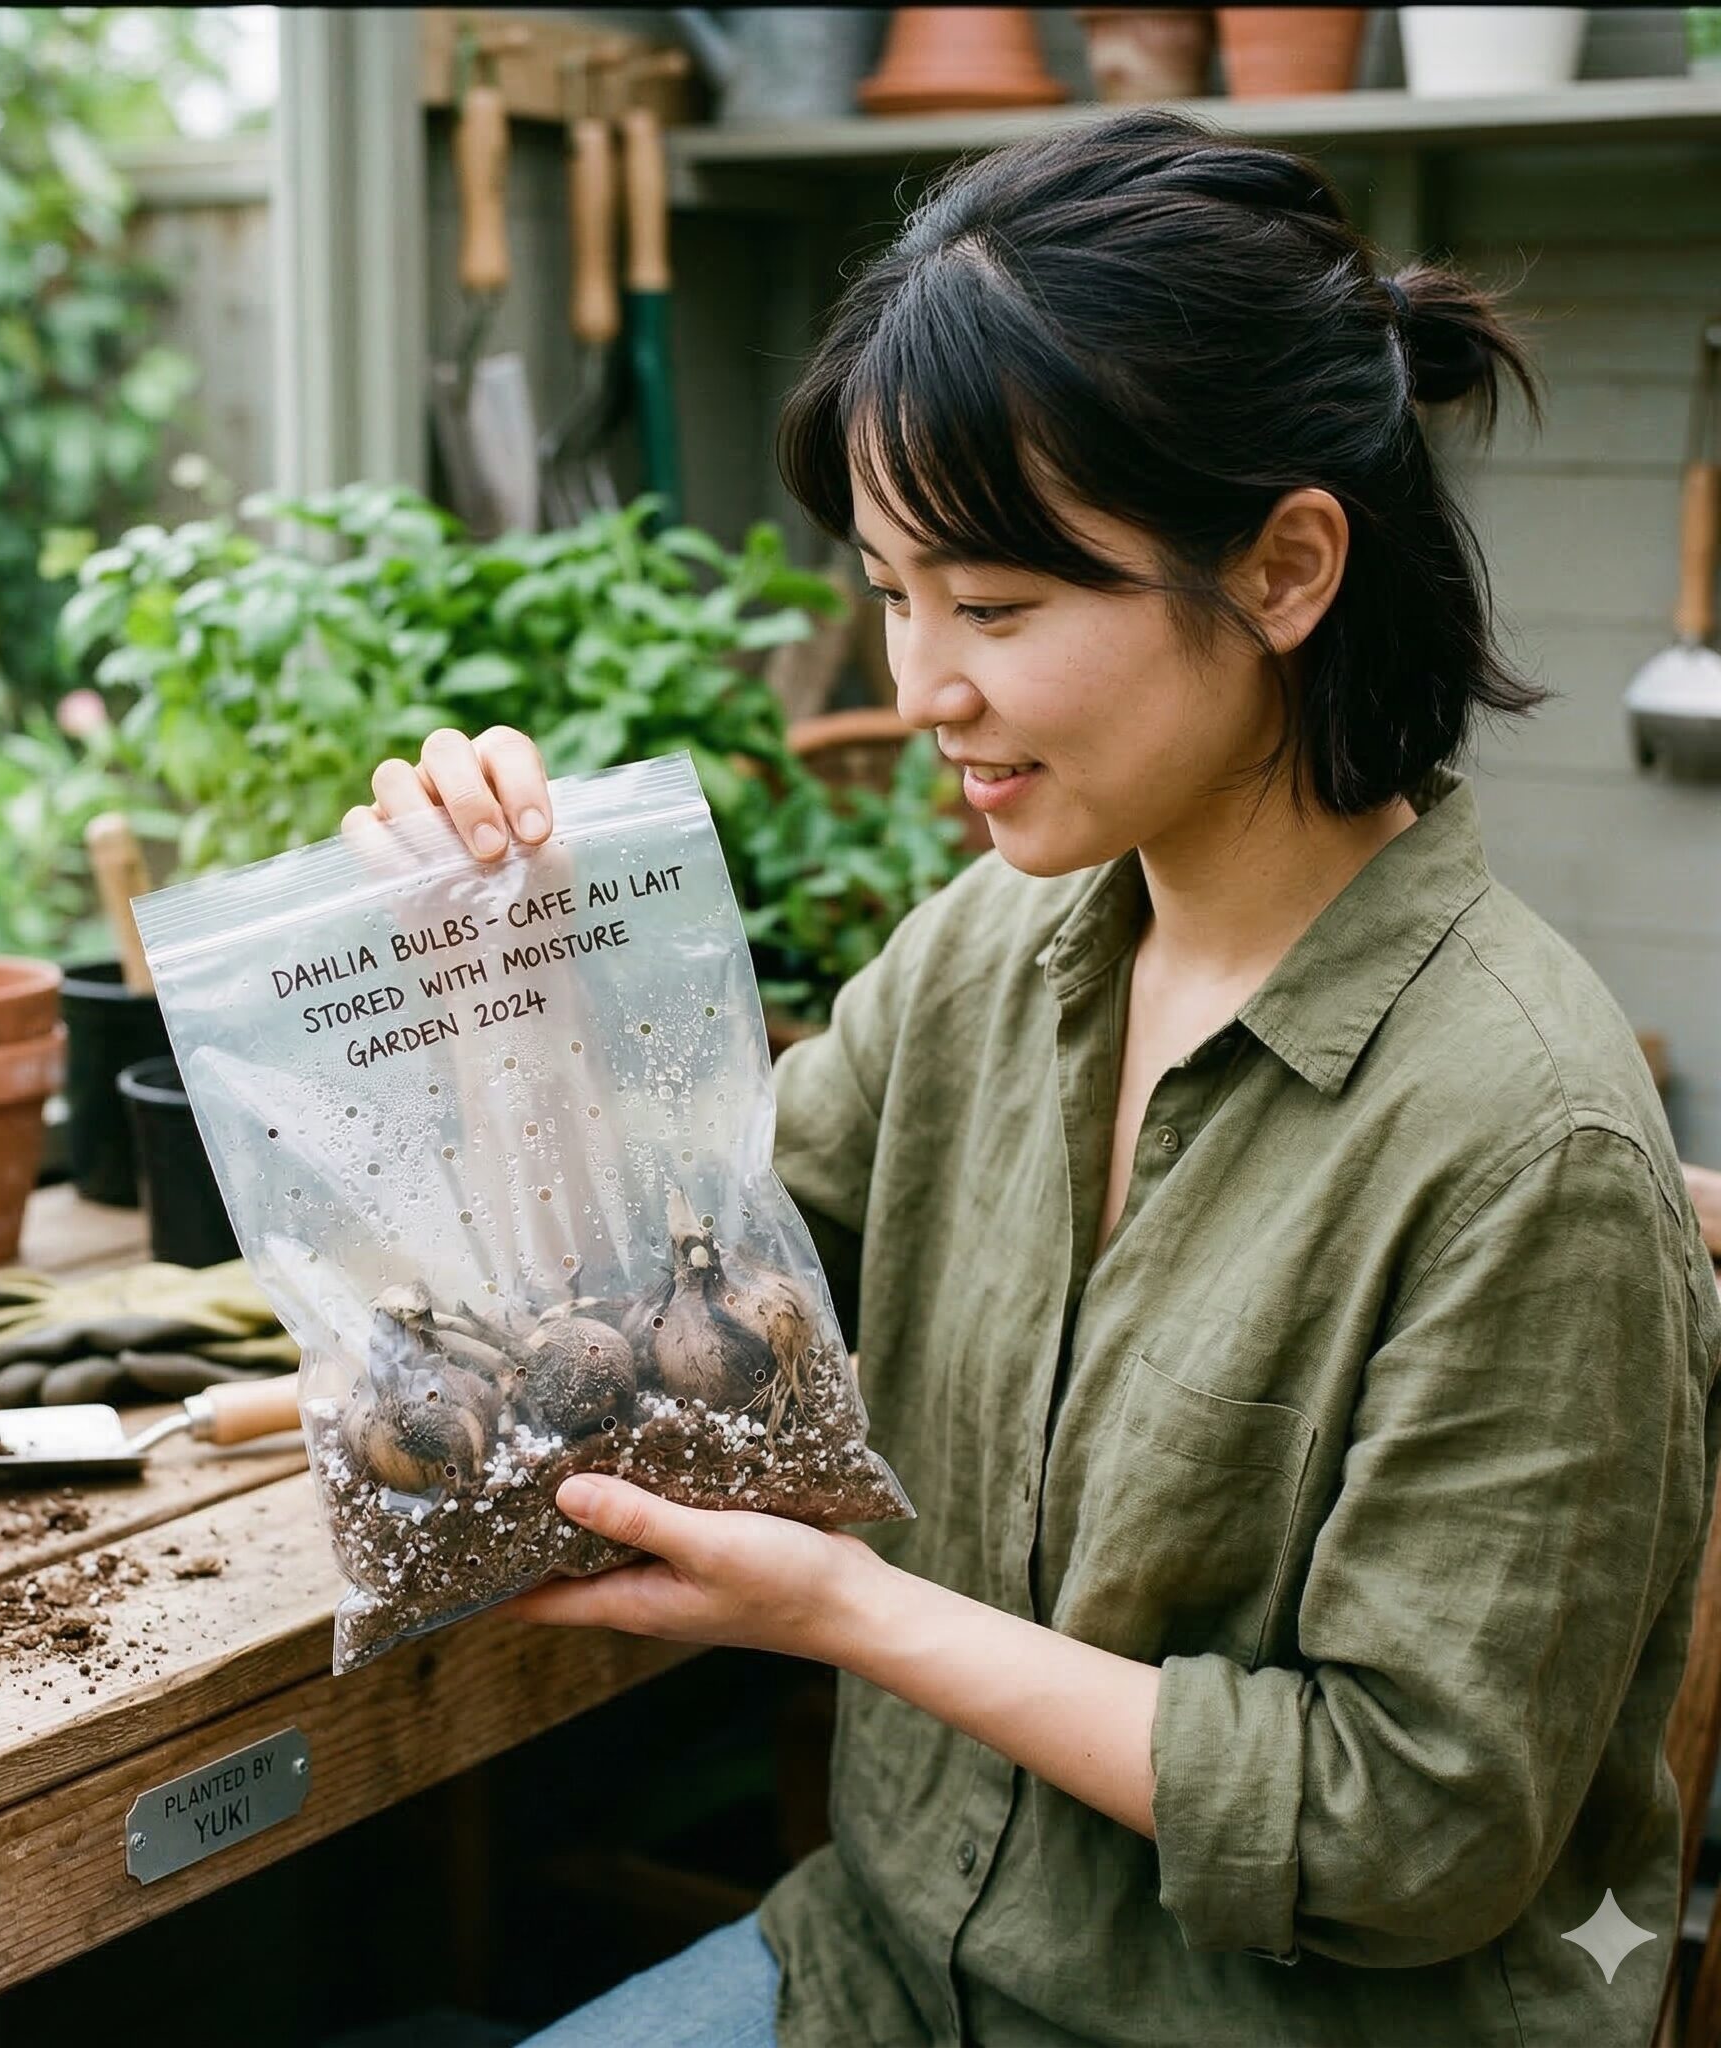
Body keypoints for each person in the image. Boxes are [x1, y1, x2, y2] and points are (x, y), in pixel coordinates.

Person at [350, 112, 1721, 2047]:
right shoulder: (988, 961)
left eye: (993, 609)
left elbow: (1414, 1833)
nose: (920, 687)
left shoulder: (1524, 1143)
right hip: (879, 1982)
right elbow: (674, 1319)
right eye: (897, 596)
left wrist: (847, 1615)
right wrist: (501, 961)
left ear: (1287, 567)